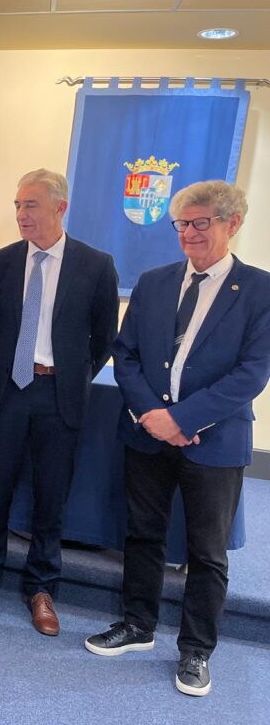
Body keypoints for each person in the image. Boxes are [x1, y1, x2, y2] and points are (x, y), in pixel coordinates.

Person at [85, 181, 270, 697]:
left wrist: (183, 420)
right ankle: (137, 624)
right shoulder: (154, 281)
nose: (188, 233)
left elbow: (252, 372)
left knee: (207, 551)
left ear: (233, 223)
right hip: (147, 433)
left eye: (200, 222)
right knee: (143, 533)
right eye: (182, 224)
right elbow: (125, 354)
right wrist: (152, 414)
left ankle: (196, 650)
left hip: (215, 440)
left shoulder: (260, 290)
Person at [0, 168, 118, 635]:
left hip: (59, 395)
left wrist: (69, 376)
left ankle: (42, 587)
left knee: (52, 495)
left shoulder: (96, 265)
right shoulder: (2, 262)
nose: (21, 214)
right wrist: (11, 367)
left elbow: (103, 338)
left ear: (60, 207)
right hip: (9, 389)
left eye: (30, 205)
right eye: (17, 205)